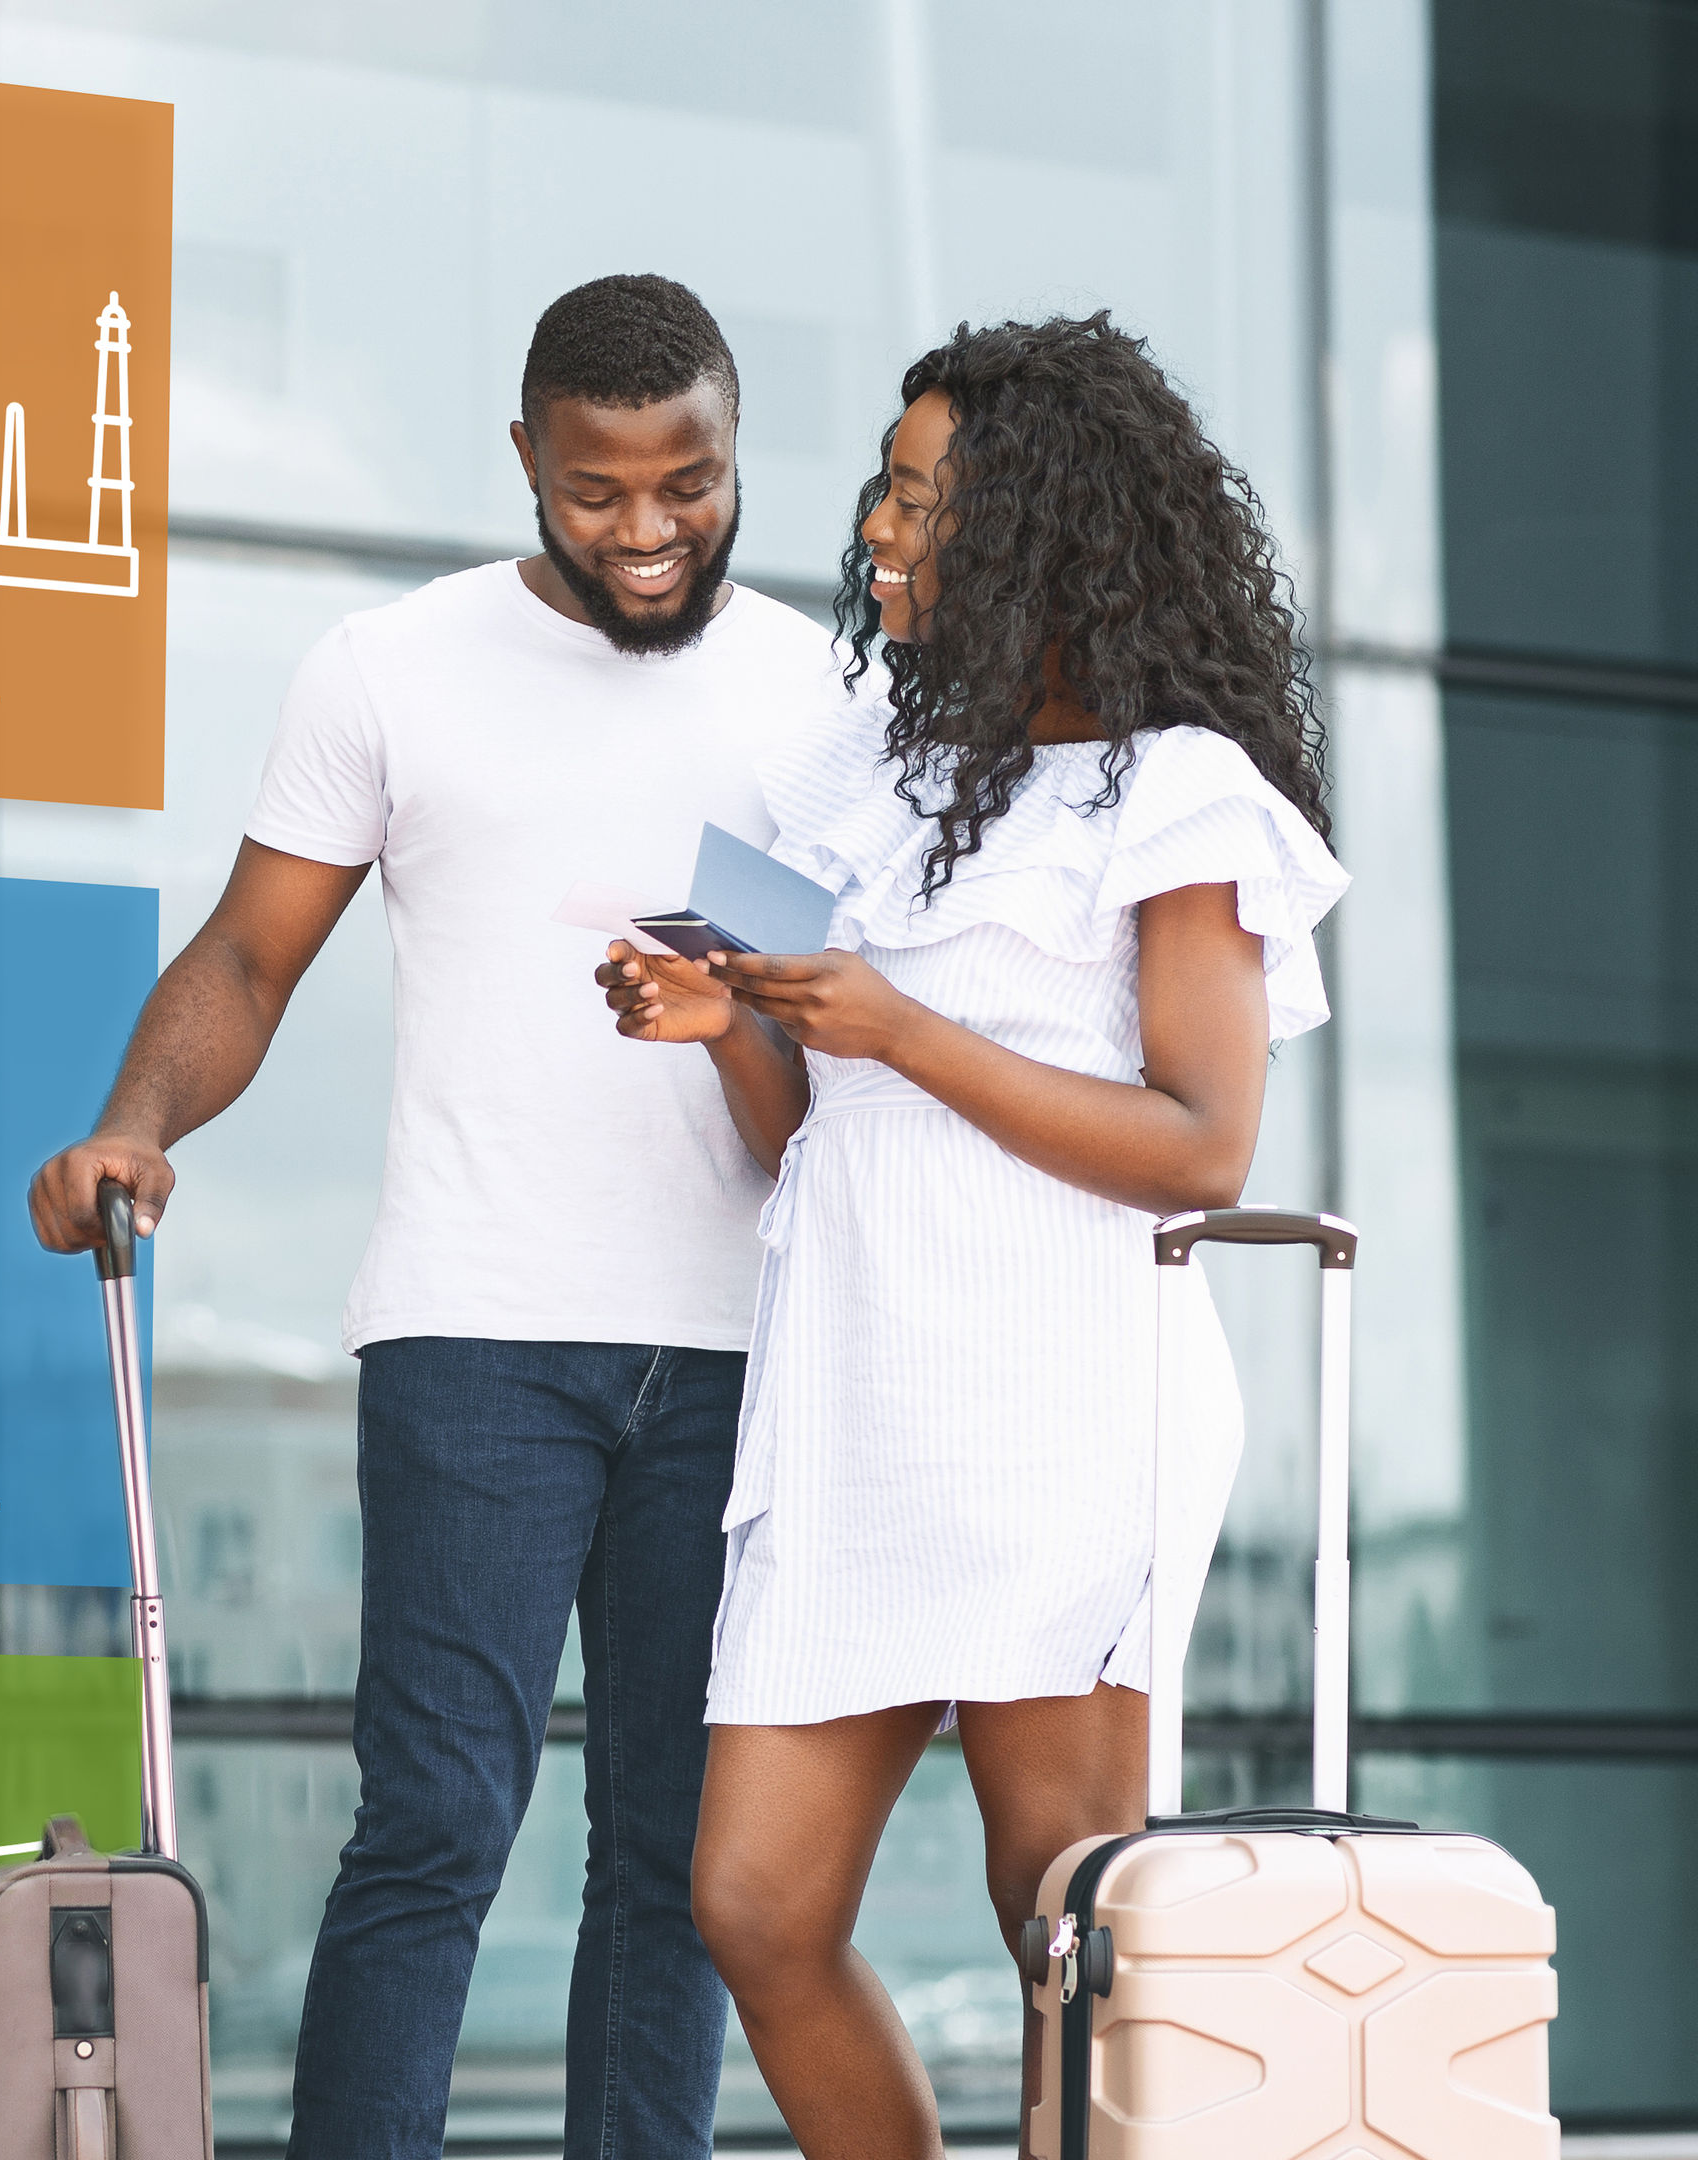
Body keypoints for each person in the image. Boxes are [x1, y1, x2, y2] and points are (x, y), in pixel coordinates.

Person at [29, 274, 842, 2159]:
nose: (647, 532)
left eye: (689, 486)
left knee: (675, 1854)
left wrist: (724, 1021)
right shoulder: (389, 669)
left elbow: (810, 1075)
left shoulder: (813, 693)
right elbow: (250, 950)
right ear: (525, 465)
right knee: (437, 1829)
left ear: (734, 454)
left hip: (743, 1344)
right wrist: (136, 1124)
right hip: (477, 1333)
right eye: (596, 491)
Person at [595, 314, 1346, 2154]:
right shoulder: (852, 776)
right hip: (854, 1405)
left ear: (1036, 533)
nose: (878, 534)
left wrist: (900, 1029)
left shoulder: (1182, 794)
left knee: (1062, 1927)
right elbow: (808, 1138)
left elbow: (1205, 1142)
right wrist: (735, 1032)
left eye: (922, 503)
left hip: (1063, 1410)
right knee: (757, 1910)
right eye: (883, 492)